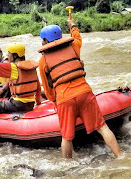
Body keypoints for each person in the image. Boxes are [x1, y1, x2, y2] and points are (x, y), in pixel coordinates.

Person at [38, 18, 122, 159]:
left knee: (66, 137)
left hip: (64, 98)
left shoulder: (43, 60)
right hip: (84, 92)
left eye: (42, 39)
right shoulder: (73, 46)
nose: (41, 42)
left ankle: (68, 165)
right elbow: (77, 37)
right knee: (102, 127)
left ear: (46, 40)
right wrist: (72, 25)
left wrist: (54, 101)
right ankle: (120, 156)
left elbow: (47, 87)